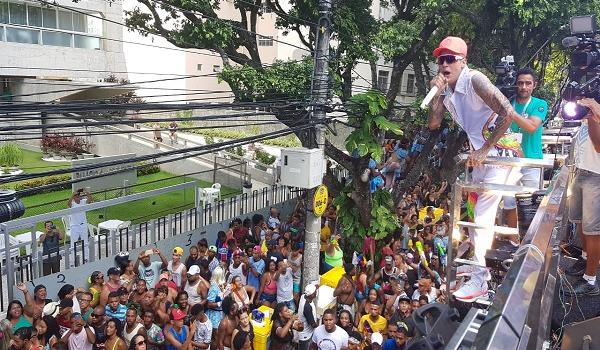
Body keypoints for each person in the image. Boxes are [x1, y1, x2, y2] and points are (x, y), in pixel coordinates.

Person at [428, 36, 523, 301]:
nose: (444, 64)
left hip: (500, 153)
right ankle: (477, 261)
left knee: (481, 216)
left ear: (463, 61)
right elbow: (433, 124)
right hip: (480, 157)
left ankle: (481, 279)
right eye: (441, 59)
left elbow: (507, 112)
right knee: (471, 212)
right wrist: (435, 93)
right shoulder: (446, 90)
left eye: (450, 59)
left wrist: (483, 149)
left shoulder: (475, 80)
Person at [502, 67, 549, 227]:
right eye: (520, 83)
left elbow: (531, 126)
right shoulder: (509, 103)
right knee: (509, 202)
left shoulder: (540, 104)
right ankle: (513, 241)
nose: (523, 87)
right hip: (510, 161)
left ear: (534, 85)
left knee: (532, 203)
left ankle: (529, 240)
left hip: (532, 161)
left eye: (528, 83)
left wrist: (511, 113)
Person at [564, 98, 600, 295]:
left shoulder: (596, 115)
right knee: (579, 222)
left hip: (597, 177)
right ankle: (586, 259)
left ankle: (591, 280)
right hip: (581, 172)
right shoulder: (586, 118)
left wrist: (594, 115)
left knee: (593, 230)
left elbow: (598, 145)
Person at [68, 188, 93, 266]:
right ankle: (72, 261)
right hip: (74, 226)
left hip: (83, 225)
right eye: (76, 196)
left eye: (79, 196)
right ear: (74, 197)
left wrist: (86, 192)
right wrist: (72, 195)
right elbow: (68, 204)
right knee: (73, 244)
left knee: (85, 242)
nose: (78, 197)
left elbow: (90, 199)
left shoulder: (83, 202)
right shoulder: (72, 204)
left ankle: (86, 258)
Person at [206, 266, 227, 334]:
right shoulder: (214, 288)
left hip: (221, 314)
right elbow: (209, 304)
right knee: (216, 335)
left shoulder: (221, 285)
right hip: (214, 316)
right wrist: (220, 303)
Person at [297, 283, 318, 350]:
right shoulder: (307, 307)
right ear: (312, 295)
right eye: (315, 292)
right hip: (306, 335)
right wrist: (319, 326)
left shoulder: (303, 296)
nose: (316, 292)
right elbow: (312, 324)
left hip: (304, 332)